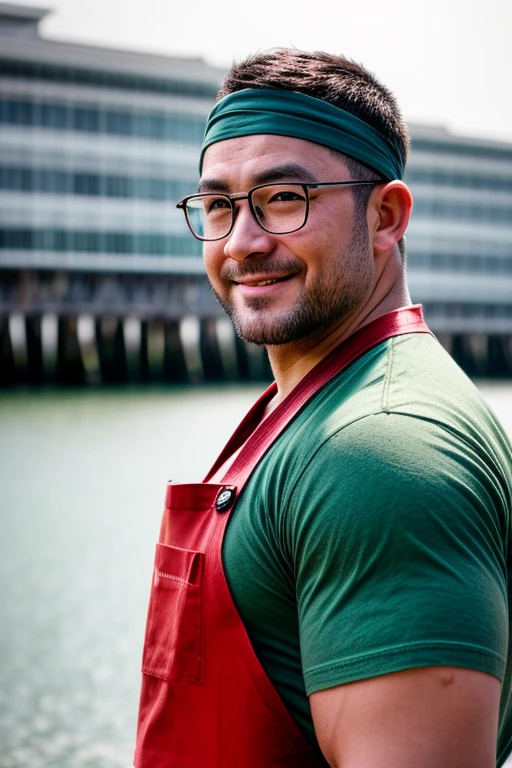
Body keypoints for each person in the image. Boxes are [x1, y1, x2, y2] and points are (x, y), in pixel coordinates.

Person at [134, 50, 512, 768]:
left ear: (387, 216)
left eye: (284, 198)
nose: (242, 243)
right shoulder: (321, 402)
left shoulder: (381, 447)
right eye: (218, 205)